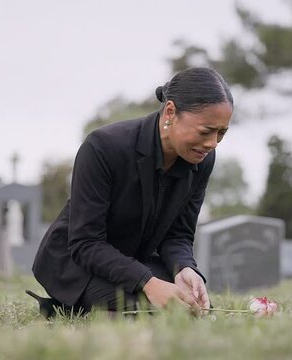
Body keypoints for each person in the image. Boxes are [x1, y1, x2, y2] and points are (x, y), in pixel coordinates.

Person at [29, 67, 233, 317]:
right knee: (142, 308)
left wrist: (184, 269)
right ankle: (73, 303)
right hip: (77, 262)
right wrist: (149, 283)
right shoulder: (103, 147)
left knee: (191, 305)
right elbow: (86, 243)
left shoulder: (201, 160)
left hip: (133, 263)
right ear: (170, 112)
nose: (212, 143)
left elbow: (178, 235)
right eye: (205, 131)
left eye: (221, 133)